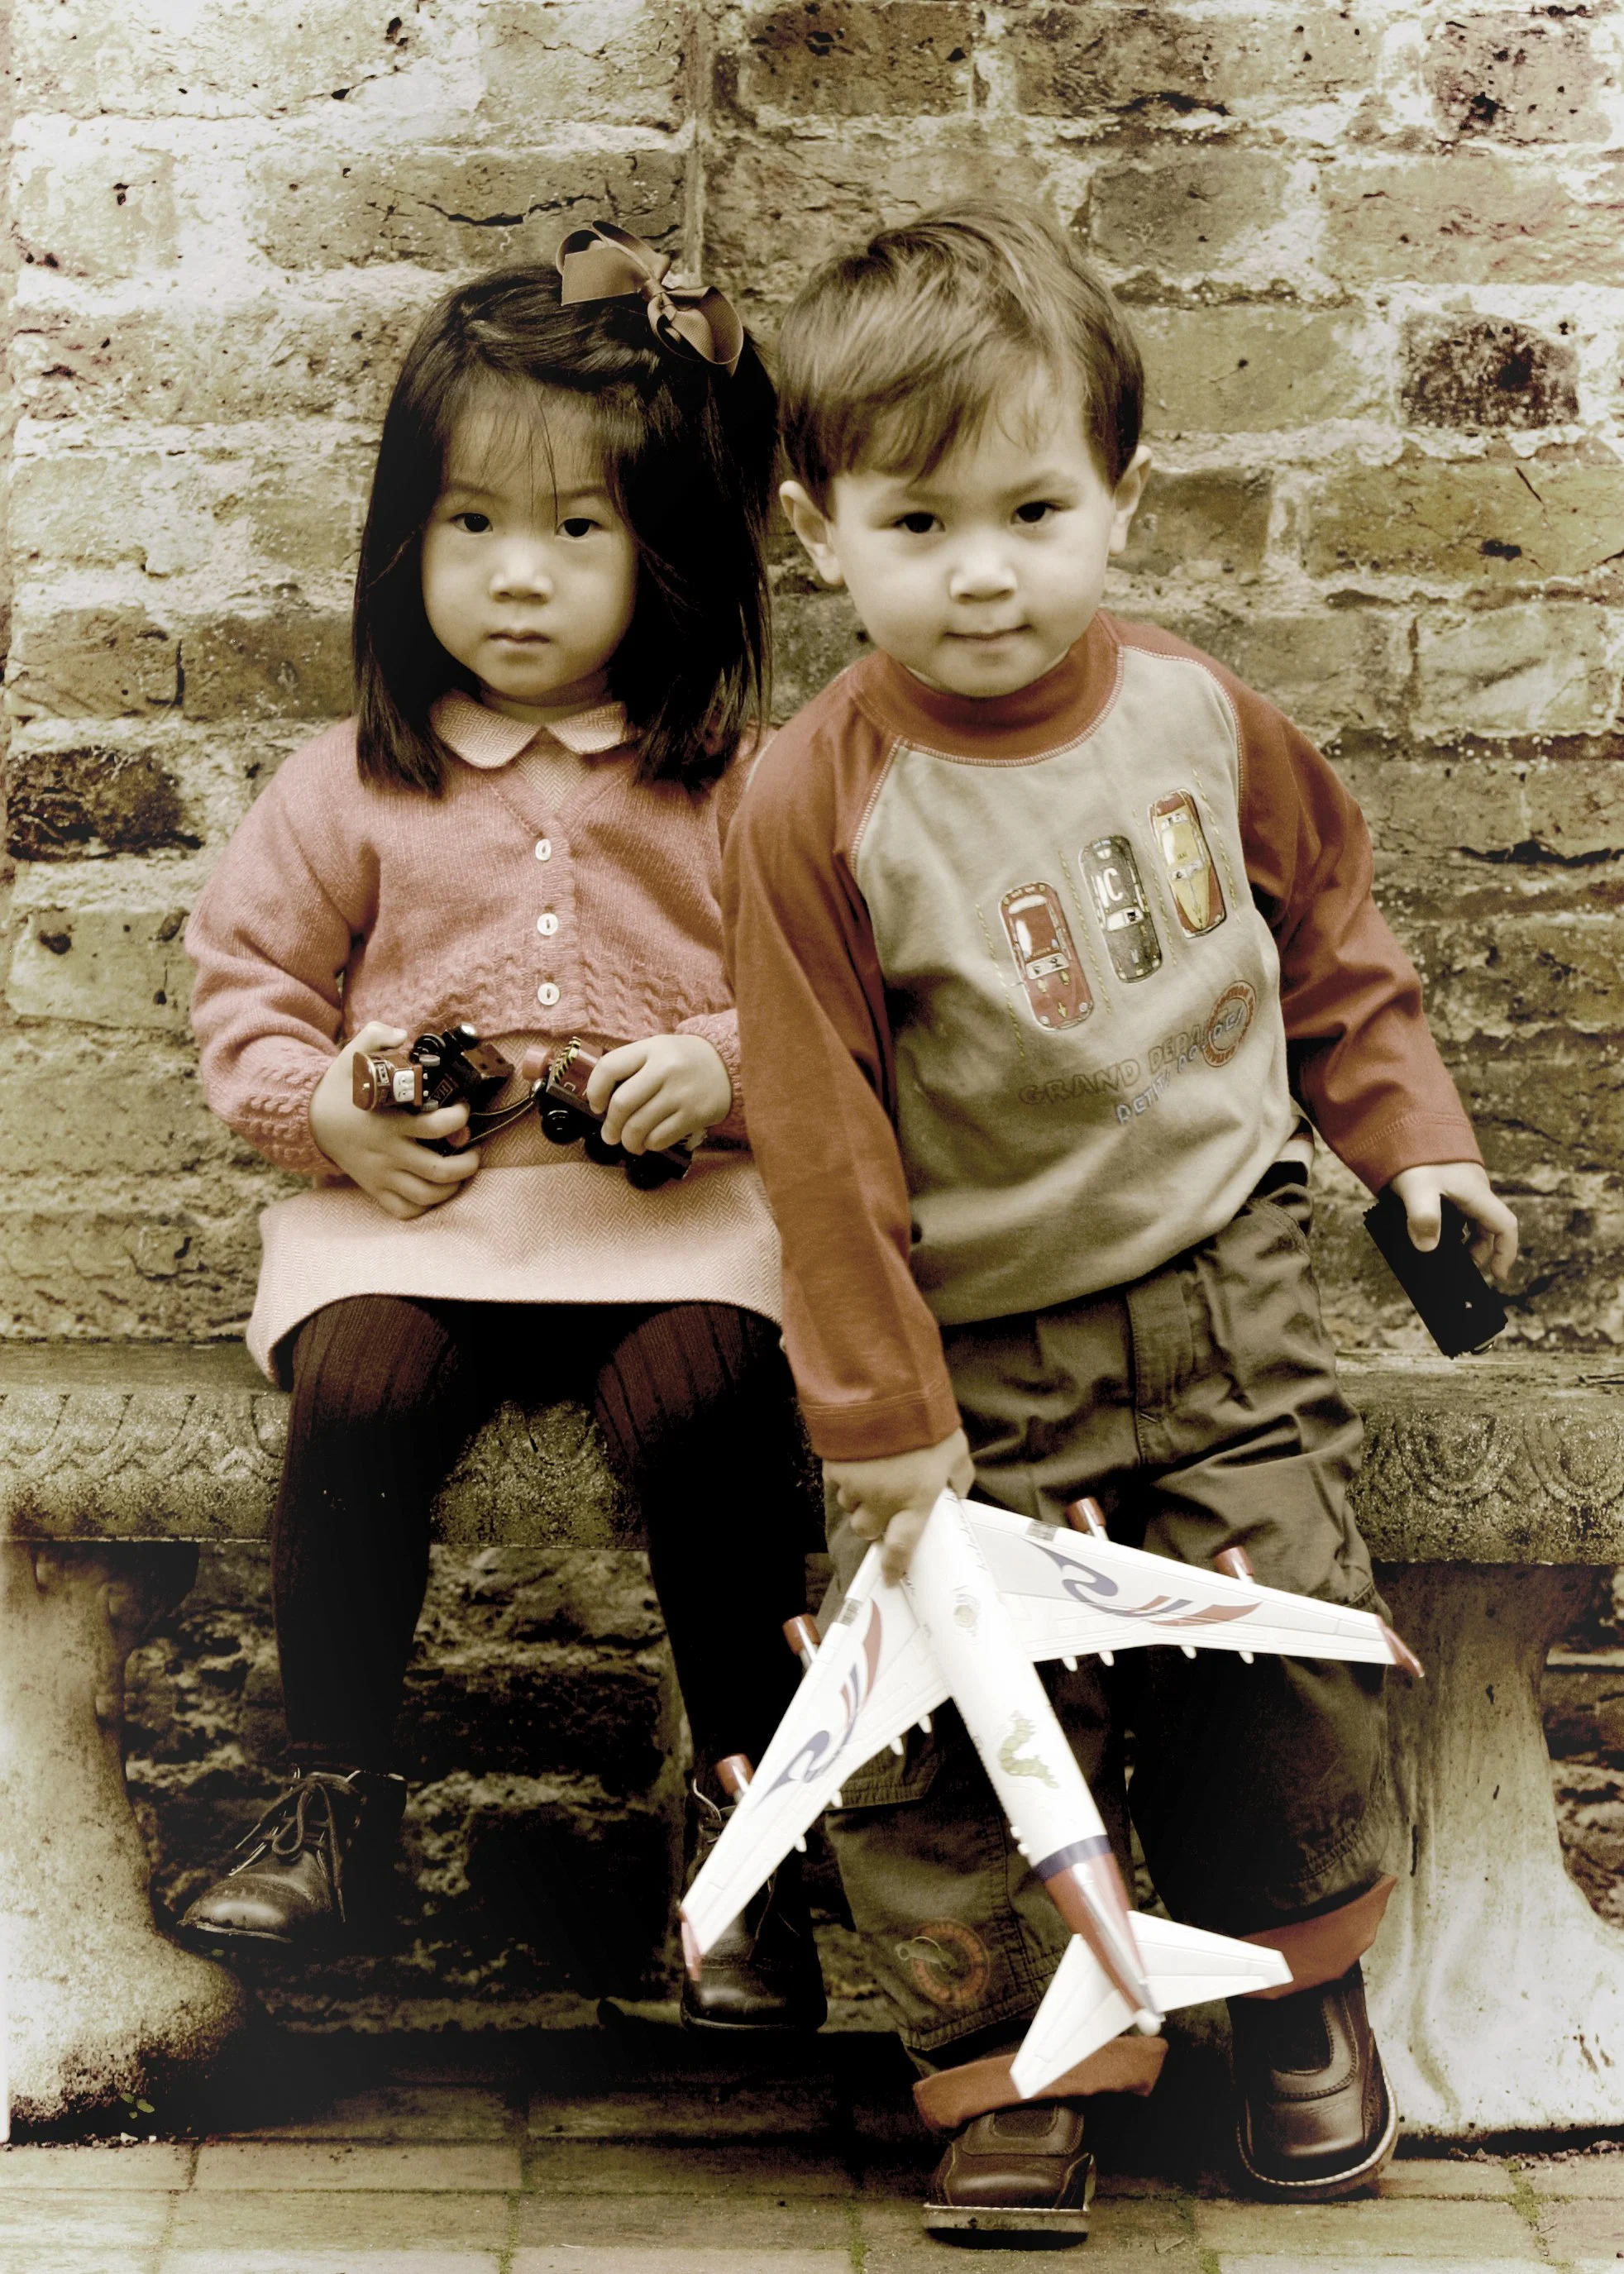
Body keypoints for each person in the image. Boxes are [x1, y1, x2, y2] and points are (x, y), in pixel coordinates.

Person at [722, 202, 1519, 2237]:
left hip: (1225, 1293)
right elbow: (815, 1136)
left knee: (1272, 1653)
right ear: (820, 531)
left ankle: (1294, 2004)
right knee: (968, 1713)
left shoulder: (1201, 718)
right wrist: (885, 1416)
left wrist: (1407, 1140)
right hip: (974, 1344)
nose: (982, 571)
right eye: (915, 524)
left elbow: (1329, 940)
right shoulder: (816, 802)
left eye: (1031, 506)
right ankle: (1020, 2061)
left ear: (1120, 500)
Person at [179, 226, 824, 2034]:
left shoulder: (737, 781)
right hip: (424, 1222)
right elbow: (247, 989)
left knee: (710, 1399)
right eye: (470, 526)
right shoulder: (349, 786)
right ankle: (332, 1802)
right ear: (408, 543)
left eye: (574, 532)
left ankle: (754, 1837)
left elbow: (832, 998)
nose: (515, 580)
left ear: (668, 552)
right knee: (363, 1389)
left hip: (675, 1226)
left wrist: (718, 1066)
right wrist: (324, 1109)